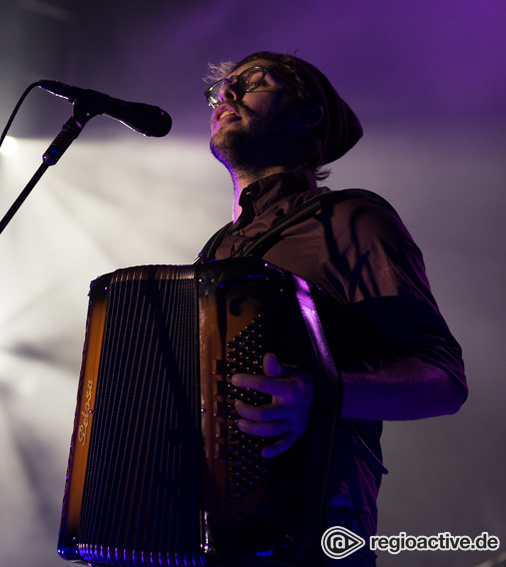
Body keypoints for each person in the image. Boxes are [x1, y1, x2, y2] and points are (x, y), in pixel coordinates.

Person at [199, 52, 467, 565]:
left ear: (308, 114)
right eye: (220, 90)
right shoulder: (215, 251)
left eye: (254, 82)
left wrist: (321, 394)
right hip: (208, 523)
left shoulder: (348, 221)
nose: (226, 96)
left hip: (312, 522)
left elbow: (444, 379)